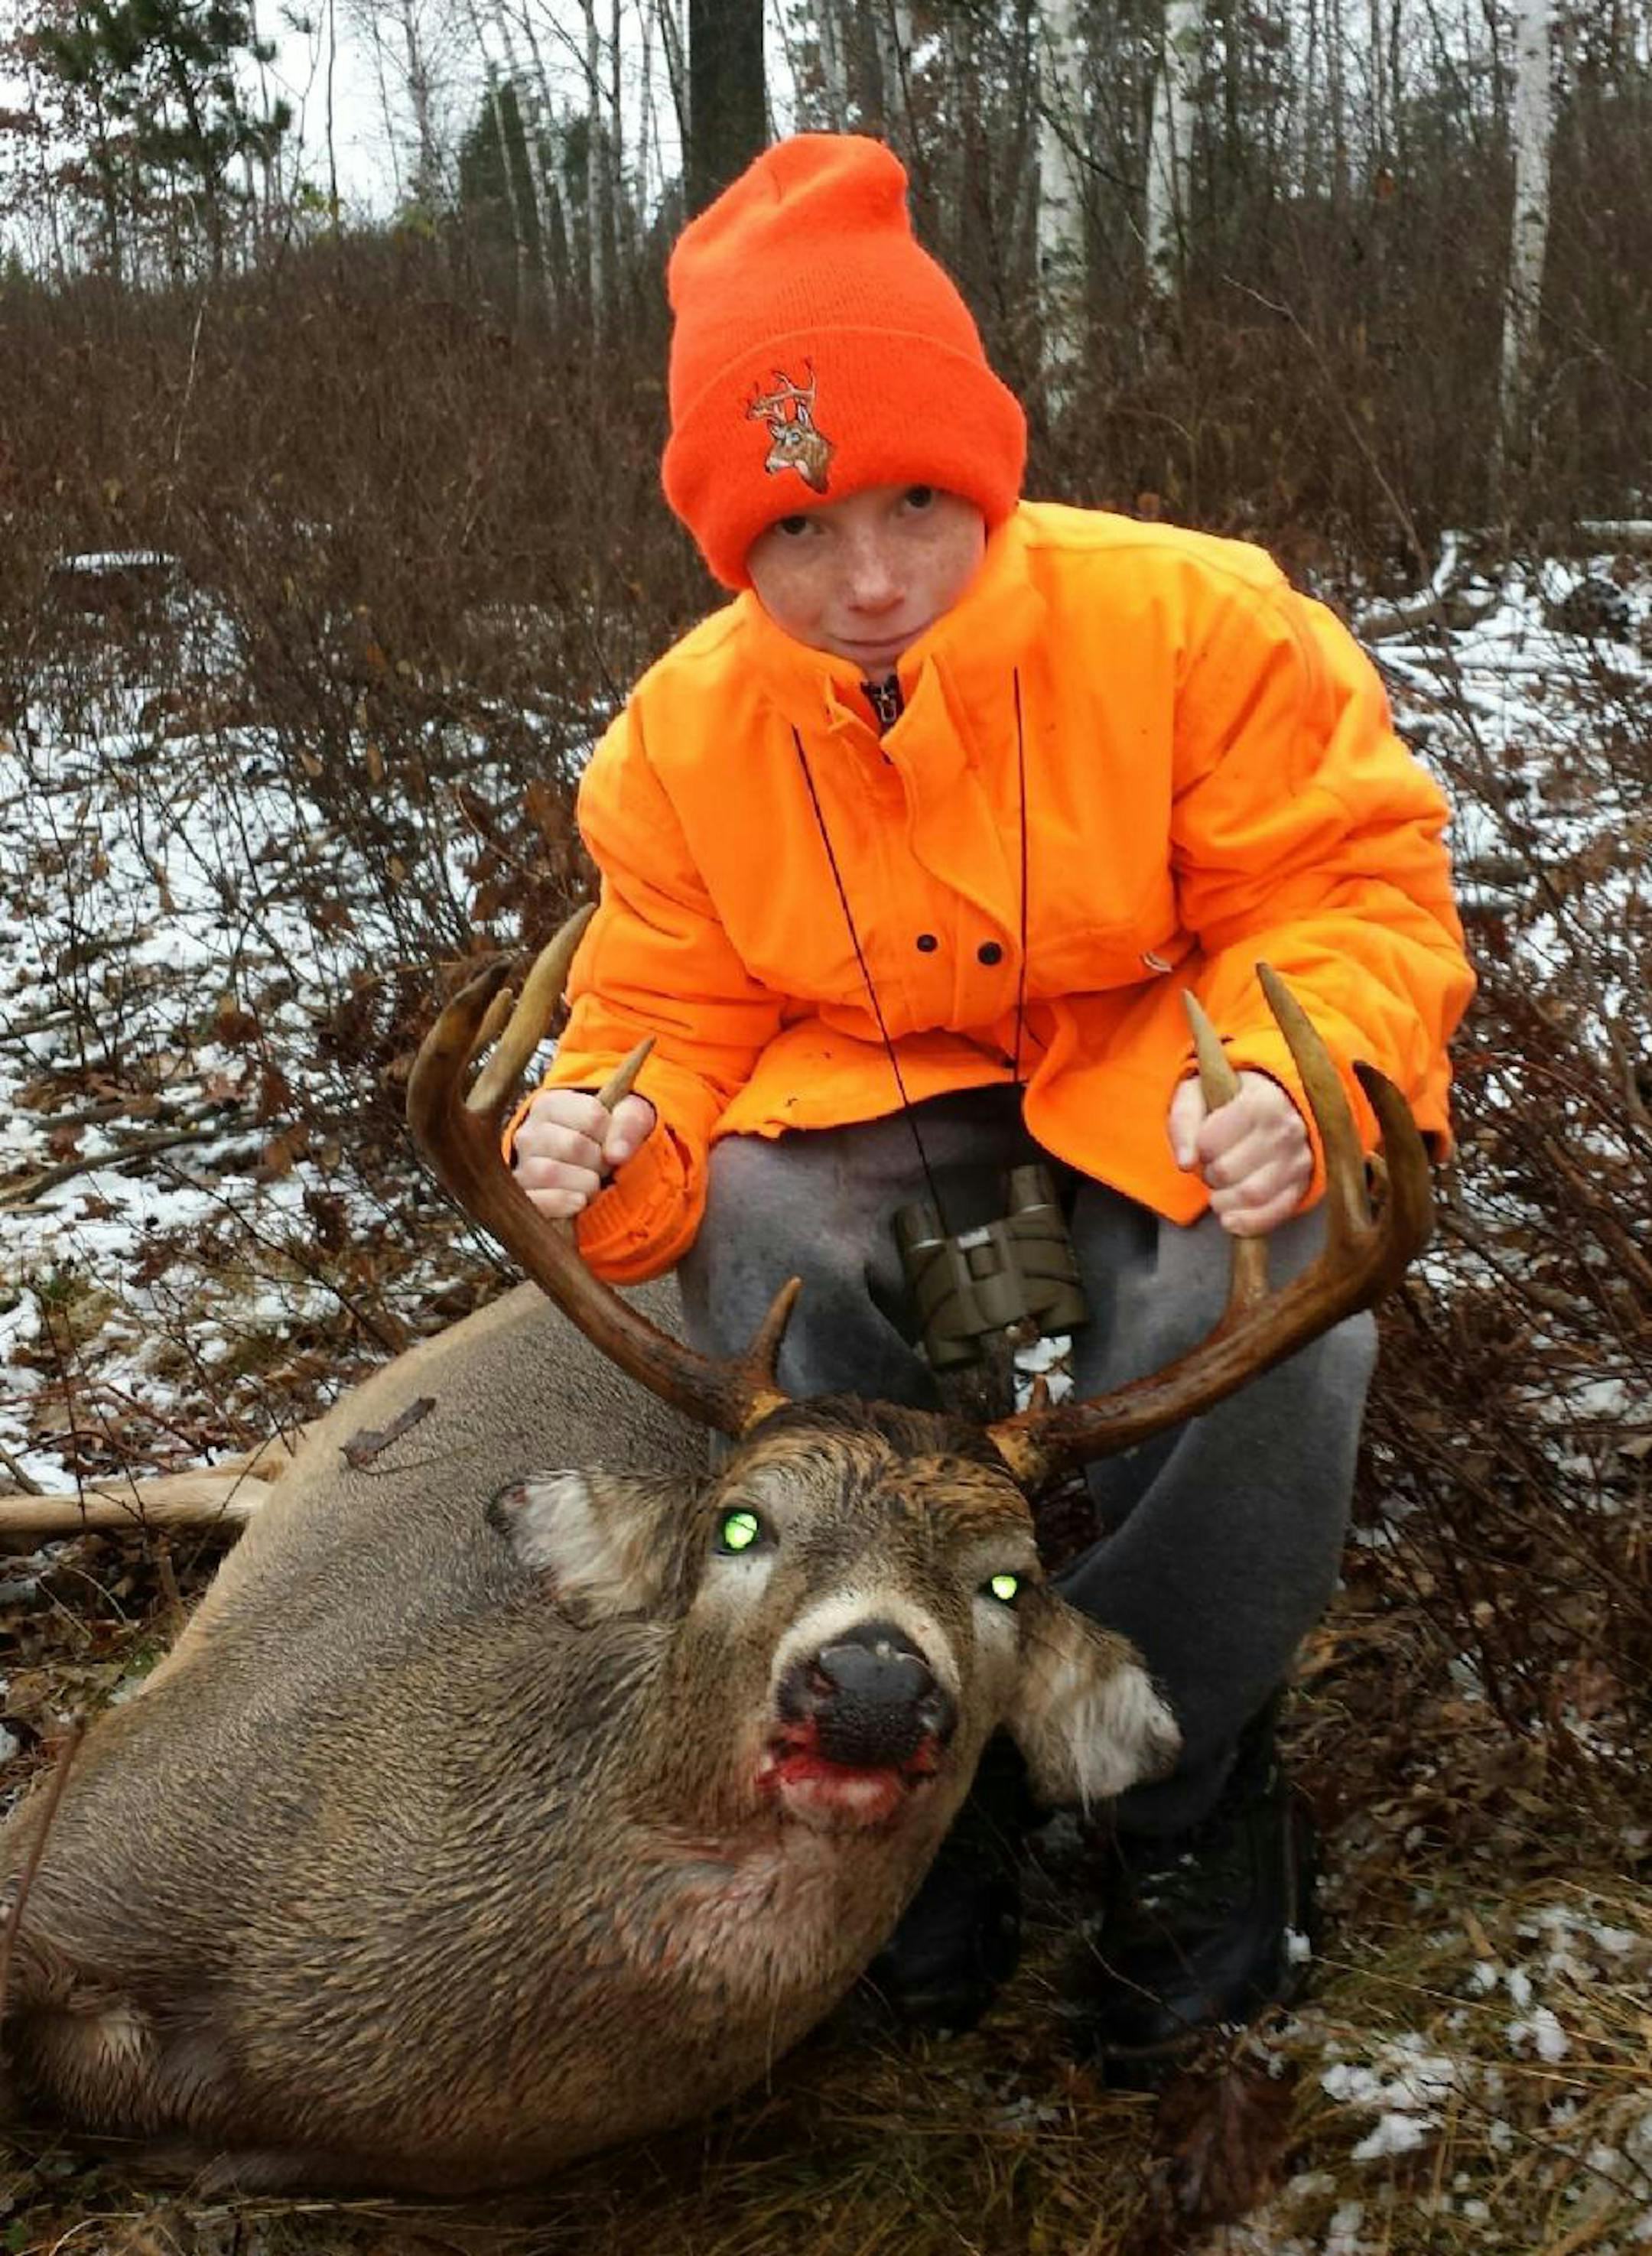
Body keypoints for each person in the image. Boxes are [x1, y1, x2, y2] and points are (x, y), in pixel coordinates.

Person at [505, 132, 1474, 2071]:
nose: (867, 581)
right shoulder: (684, 735)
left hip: (1167, 1082)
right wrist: (606, 1122)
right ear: (727, 543)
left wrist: (1303, 1078)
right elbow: (662, 1002)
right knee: (761, 1235)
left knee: (1267, 1280)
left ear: (991, 468)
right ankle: (910, 1760)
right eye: (795, 533)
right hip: (880, 1106)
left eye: (918, 505)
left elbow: (1349, 890)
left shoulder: (1198, 624)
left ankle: (1175, 1783)